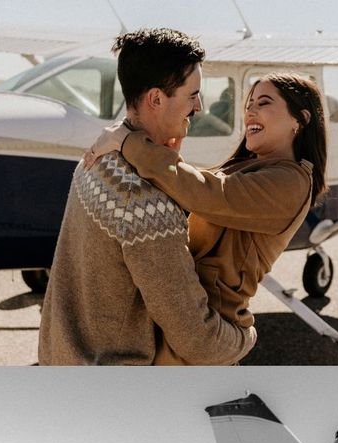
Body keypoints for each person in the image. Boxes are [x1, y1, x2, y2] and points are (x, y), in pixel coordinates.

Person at [38, 28, 256, 366]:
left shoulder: (95, 160)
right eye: (192, 95)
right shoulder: (145, 203)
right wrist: (245, 337)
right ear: (156, 99)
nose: (199, 106)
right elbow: (197, 340)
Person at [84, 70, 328, 363]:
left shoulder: (291, 182)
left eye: (263, 102)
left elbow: (208, 194)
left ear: (299, 120)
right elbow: (201, 192)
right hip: (182, 313)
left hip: (203, 327)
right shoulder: (250, 168)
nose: (249, 110)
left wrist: (126, 140)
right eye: (249, 103)